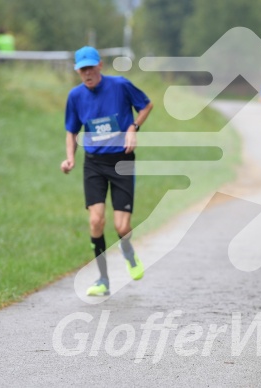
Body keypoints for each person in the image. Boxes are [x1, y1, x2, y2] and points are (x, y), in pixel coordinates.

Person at [61, 46, 154, 296]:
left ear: (100, 65)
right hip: (94, 164)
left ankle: (128, 253)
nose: (87, 73)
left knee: (122, 227)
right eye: (83, 70)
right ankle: (103, 279)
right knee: (95, 221)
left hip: (122, 161)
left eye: (91, 67)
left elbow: (146, 105)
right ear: (78, 72)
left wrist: (133, 127)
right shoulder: (75, 96)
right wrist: (70, 158)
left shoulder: (121, 85)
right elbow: (71, 130)